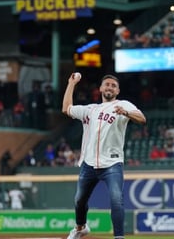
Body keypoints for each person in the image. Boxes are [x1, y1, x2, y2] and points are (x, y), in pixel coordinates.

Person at [62, 73, 146, 239]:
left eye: (113, 85)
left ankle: (119, 237)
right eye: (107, 84)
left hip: (112, 163)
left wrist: (126, 113)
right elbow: (66, 109)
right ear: (100, 88)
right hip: (89, 164)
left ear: (118, 91)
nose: (110, 87)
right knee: (79, 200)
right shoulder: (90, 109)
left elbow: (142, 119)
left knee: (116, 199)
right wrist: (71, 83)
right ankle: (80, 228)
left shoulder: (123, 104)